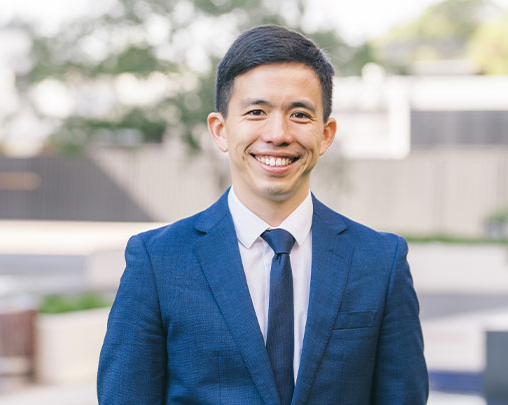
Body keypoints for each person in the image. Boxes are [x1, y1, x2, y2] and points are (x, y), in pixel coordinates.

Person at [97, 24, 428, 404]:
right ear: (220, 130)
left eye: (300, 114)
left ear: (326, 134)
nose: (277, 133)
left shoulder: (380, 262)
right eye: (256, 111)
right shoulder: (157, 262)